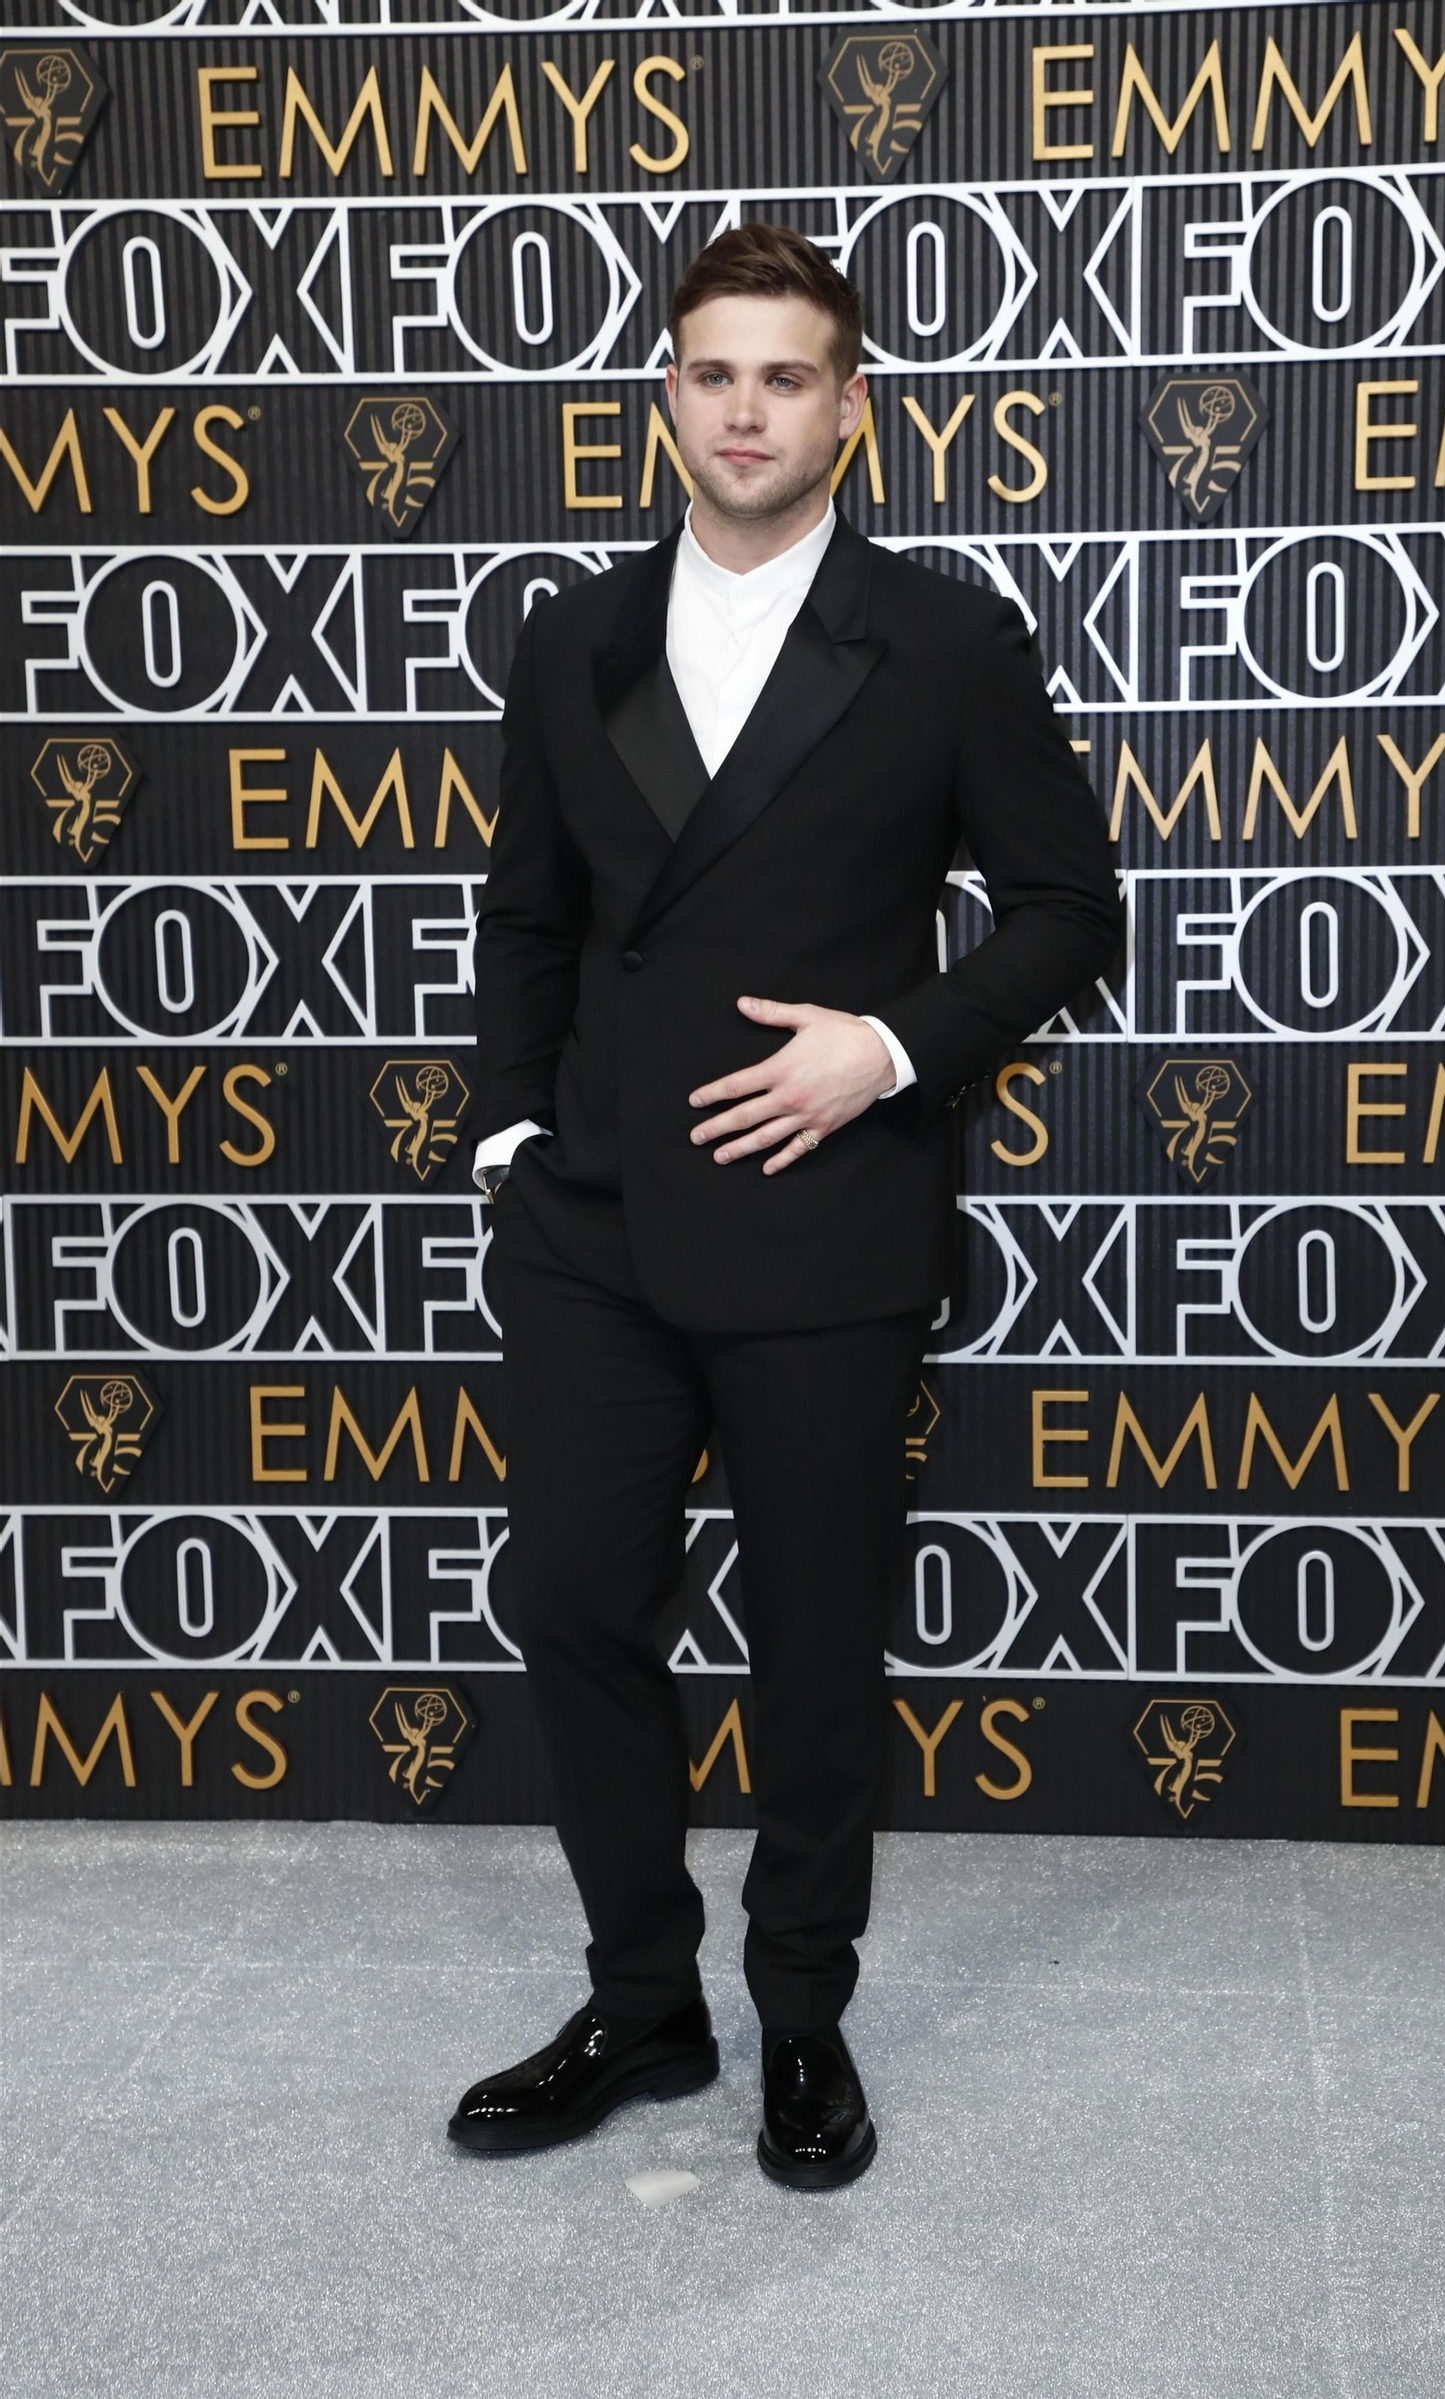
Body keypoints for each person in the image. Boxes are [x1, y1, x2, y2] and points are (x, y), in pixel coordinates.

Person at [448, 223, 1120, 2189]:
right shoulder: (566, 635)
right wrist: (506, 1134)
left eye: (785, 376)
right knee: (573, 1603)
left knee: (817, 1642)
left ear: (849, 407)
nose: (743, 407)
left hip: (828, 1221)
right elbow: (528, 914)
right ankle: (643, 2003)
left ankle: (802, 2016)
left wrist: (884, 1051)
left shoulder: (938, 639)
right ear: (664, 396)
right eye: (707, 372)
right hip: (590, 1229)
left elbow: (1070, 911)